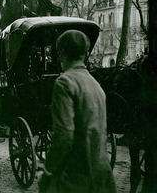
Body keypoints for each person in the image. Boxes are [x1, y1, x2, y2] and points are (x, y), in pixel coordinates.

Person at [39, 30, 116, 193]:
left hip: (76, 178)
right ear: (85, 54)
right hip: (103, 176)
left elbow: (64, 137)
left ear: (61, 54)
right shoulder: (96, 85)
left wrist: (47, 171)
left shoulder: (64, 82)